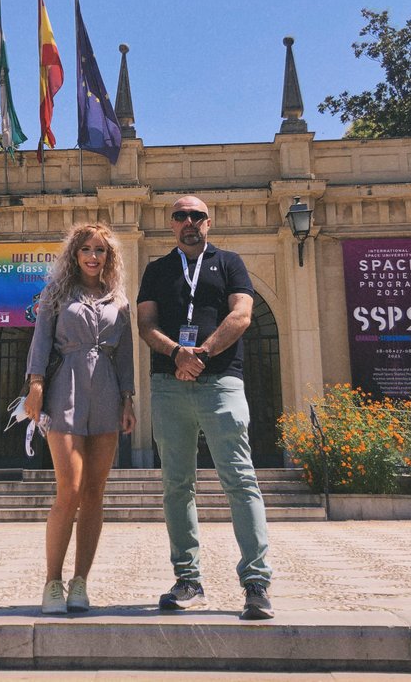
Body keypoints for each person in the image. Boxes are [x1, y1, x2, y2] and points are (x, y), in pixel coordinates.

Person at [136, 194, 274, 620]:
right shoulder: (157, 270)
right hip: (169, 385)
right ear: (171, 224)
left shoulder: (229, 262)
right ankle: (188, 581)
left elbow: (242, 314)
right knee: (177, 485)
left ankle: (256, 584)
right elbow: (145, 323)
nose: (189, 221)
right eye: (181, 215)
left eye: (197, 215)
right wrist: (177, 353)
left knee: (241, 480)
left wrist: (203, 354)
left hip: (222, 383)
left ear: (208, 222)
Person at [24, 222, 136, 615]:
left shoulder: (118, 300)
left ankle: (80, 582)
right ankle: (52, 582)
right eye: (86, 249)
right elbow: (41, 340)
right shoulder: (56, 294)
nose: (93, 256)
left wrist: (127, 400)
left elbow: (125, 354)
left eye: (100, 250)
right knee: (69, 489)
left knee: (94, 493)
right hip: (65, 389)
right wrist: (35, 384)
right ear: (75, 254)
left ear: (109, 257)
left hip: (106, 391)